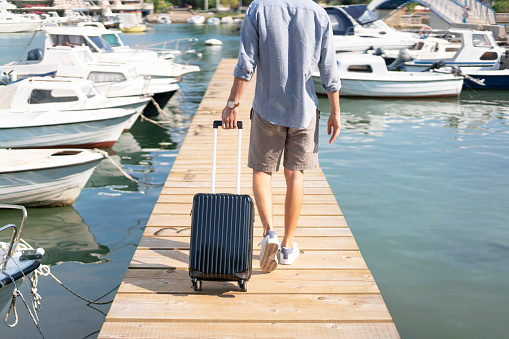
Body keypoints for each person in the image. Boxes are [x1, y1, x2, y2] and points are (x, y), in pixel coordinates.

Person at [221, 0, 341, 272]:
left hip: (267, 107)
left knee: (262, 172)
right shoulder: (318, 13)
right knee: (295, 174)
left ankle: (269, 233)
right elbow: (329, 67)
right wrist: (335, 111)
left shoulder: (258, 9)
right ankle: (287, 247)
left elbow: (246, 63)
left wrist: (232, 105)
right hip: (304, 109)